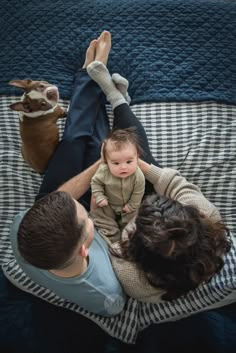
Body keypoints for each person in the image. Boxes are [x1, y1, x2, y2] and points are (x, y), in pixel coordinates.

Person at [85, 58, 231, 303]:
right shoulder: (207, 215)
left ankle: (116, 101)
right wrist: (140, 164)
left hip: (121, 221)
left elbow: (110, 240)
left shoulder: (134, 279)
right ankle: (117, 98)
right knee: (134, 156)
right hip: (148, 210)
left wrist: (101, 206)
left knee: (103, 171)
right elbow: (174, 184)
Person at [90, 128, 145, 242]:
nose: (123, 167)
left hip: (129, 206)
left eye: (129, 162)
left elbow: (138, 192)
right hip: (109, 203)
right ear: (106, 161)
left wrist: (132, 205)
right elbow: (95, 183)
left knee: (133, 224)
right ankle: (111, 238)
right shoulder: (104, 171)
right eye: (116, 163)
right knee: (103, 219)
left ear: (137, 157)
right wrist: (100, 196)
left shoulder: (138, 175)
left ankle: (126, 238)